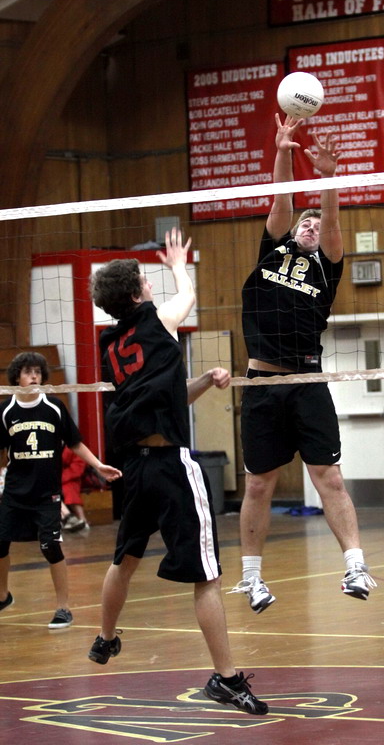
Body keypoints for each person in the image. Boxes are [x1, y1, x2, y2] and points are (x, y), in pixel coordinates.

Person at [89, 229, 268, 716]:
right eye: (145, 281)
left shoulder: (111, 344)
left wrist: (205, 381)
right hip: (170, 465)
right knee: (207, 577)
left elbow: (161, 397)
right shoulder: (158, 320)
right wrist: (176, 265)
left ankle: (105, 638)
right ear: (135, 295)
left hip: (134, 469)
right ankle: (226, 679)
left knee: (124, 559)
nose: (151, 285)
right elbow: (188, 295)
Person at [232, 113, 377, 614]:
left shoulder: (326, 268)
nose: (312, 224)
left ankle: (355, 565)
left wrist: (329, 176)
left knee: (328, 477)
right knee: (258, 483)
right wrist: (282, 151)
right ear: (293, 231)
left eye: (316, 223)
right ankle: (251, 578)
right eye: (304, 221)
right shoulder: (272, 250)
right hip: (261, 383)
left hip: (308, 383)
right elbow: (281, 201)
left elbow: (332, 222)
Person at [0, 352, 122, 628]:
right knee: (0, 543)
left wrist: (98, 466)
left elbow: (75, 442)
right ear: (17, 377)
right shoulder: (6, 410)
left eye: (37, 372)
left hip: (47, 494)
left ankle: (63, 608)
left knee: (51, 546)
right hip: (15, 492)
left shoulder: (54, 407)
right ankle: (3, 595)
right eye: (28, 372)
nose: (33, 377)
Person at [61, 445, 91, 532]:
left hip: (71, 477)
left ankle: (82, 519)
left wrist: (62, 478)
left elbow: (78, 465)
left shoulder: (73, 446)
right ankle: (67, 518)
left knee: (69, 489)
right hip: (55, 478)